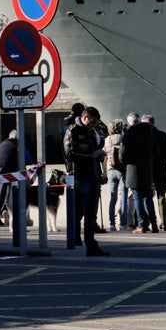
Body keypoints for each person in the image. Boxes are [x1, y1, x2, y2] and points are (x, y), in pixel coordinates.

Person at [63, 107, 109, 256]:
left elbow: (96, 153)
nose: (94, 125)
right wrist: (92, 155)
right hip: (79, 176)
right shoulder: (72, 131)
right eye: (92, 122)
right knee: (79, 211)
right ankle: (76, 242)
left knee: (91, 213)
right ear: (85, 118)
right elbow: (70, 154)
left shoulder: (92, 132)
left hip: (93, 176)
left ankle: (91, 244)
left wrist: (101, 171)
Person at [121, 112, 157, 233]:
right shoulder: (150, 134)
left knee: (137, 197)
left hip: (133, 169)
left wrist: (125, 161)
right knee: (148, 197)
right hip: (147, 169)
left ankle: (142, 224)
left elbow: (123, 154)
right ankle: (154, 223)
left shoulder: (129, 134)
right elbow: (156, 152)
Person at [0, 130, 27, 227]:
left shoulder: (2, 144)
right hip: (4, 170)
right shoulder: (17, 145)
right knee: (4, 193)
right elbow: (28, 160)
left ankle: (2, 212)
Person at [145, 115, 166, 231]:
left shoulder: (145, 136)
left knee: (147, 197)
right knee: (162, 197)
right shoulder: (163, 135)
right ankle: (165, 222)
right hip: (161, 169)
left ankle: (148, 222)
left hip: (149, 169)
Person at [103, 119, 130, 231]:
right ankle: (123, 224)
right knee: (123, 197)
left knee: (112, 197)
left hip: (110, 169)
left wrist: (104, 171)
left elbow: (104, 154)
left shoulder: (107, 139)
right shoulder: (124, 138)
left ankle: (112, 224)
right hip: (122, 170)